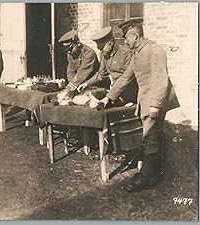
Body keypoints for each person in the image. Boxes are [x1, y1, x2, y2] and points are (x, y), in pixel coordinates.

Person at [100, 19, 180, 192]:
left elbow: (161, 79)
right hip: (146, 100)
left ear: (135, 35)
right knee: (152, 136)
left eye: (126, 38)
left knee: (149, 137)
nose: (125, 41)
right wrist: (109, 97)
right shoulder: (137, 52)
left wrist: (156, 105)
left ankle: (146, 177)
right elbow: (125, 78)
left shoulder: (154, 50)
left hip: (154, 101)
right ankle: (155, 172)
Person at [77, 26, 138, 104]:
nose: (100, 50)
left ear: (111, 43)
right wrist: (86, 83)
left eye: (102, 47)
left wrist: (112, 95)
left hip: (128, 92)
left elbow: (128, 78)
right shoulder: (105, 54)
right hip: (114, 92)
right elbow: (101, 74)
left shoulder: (126, 53)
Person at [58, 30, 100, 98]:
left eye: (71, 48)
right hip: (79, 85)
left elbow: (83, 72)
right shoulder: (70, 54)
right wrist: (72, 87)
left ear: (78, 43)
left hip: (94, 84)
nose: (69, 52)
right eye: (66, 49)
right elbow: (71, 72)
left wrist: (69, 89)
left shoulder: (89, 53)